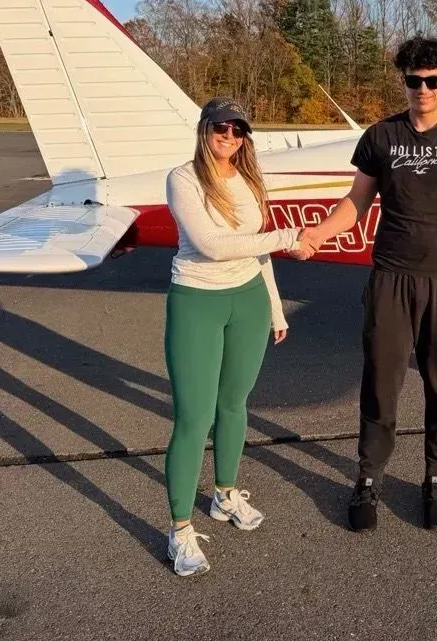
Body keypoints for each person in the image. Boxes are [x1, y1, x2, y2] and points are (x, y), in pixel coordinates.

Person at [299, 36, 437, 532]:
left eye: (433, 81)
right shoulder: (380, 137)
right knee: (381, 383)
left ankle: (435, 476)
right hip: (392, 278)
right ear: (404, 82)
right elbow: (356, 204)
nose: (423, 90)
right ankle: (368, 478)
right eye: (414, 81)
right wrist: (317, 234)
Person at [162, 96, 313, 576]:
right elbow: (211, 245)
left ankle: (225, 495)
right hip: (197, 302)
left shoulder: (249, 178)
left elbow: (254, 250)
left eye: (238, 129)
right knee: (194, 417)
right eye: (220, 127)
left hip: (246, 300)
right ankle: (180, 529)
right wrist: (290, 237)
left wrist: (273, 307)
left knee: (234, 405)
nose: (229, 136)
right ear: (205, 128)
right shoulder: (183, 178)